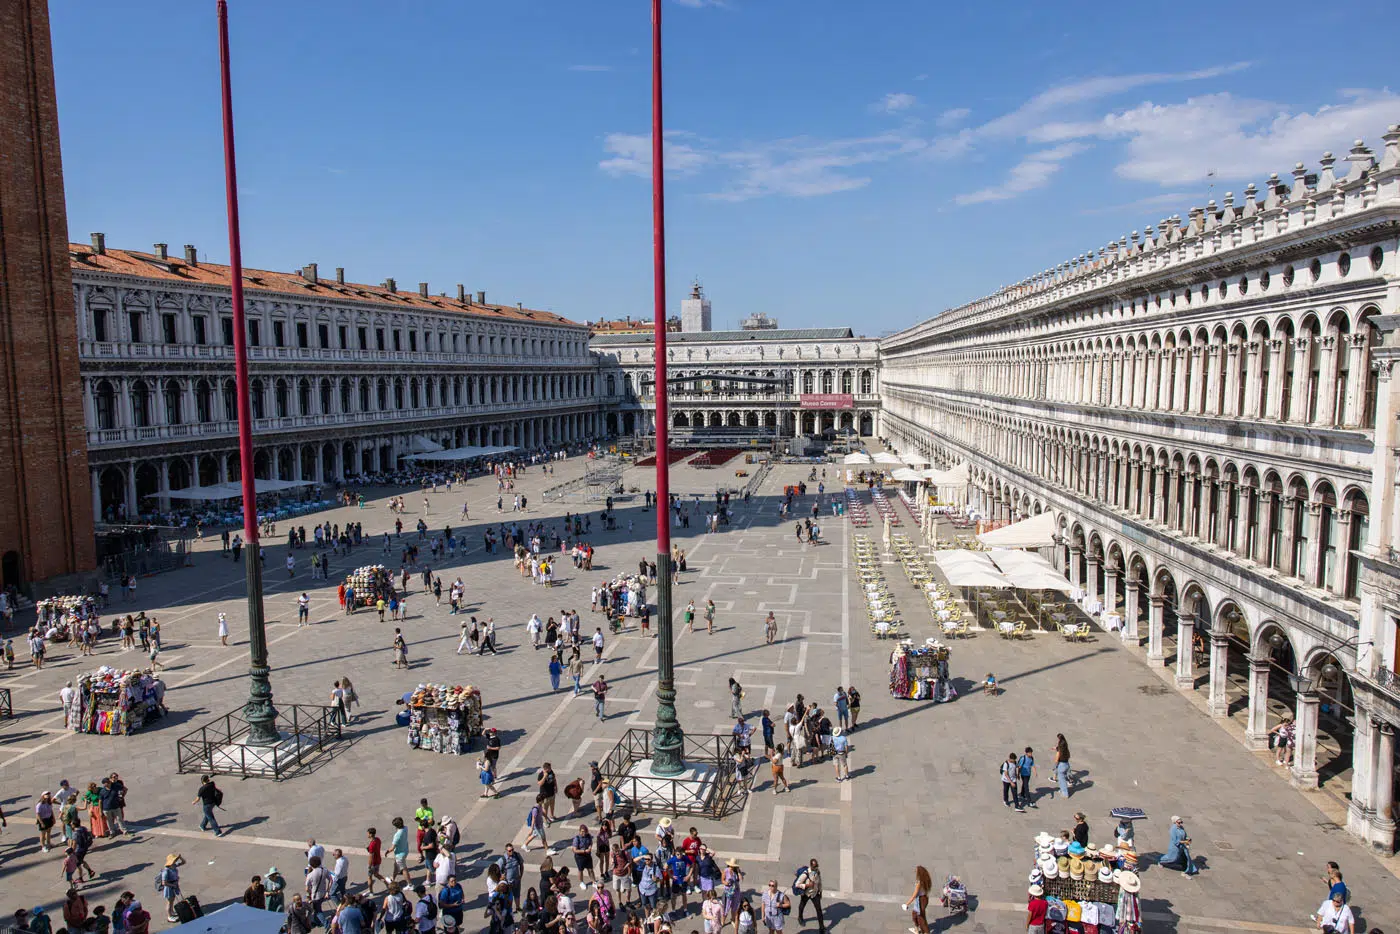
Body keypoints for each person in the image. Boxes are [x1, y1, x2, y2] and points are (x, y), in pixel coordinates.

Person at [796, 859, 825, 934]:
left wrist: (820, 891)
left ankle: (821, 927)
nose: (816, 868)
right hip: (806, 893)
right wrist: (807, 885)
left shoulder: (817, 872)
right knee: (802, 905)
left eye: (817, 866)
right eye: (814, 866)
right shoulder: (805, 874)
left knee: (819, 910)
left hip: (815, 894)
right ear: (811, 866)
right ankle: (800, 917)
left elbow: (820, 882)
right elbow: (797, 884)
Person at [903, 865, 932, 934]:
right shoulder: (926, 879)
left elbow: (914, 895)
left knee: (921, 918)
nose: (915, 872)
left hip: (920, 900)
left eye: (916, 871)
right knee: (914, 915)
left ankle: (926, 932)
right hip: (924, 898)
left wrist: (906, 904)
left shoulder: (919, 883)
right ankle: (916, 928)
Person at [158, 853, 185, 923]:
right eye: (174, 860)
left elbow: (183, 862)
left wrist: (180, 857)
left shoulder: (174, 866)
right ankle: (169, 916)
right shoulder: (166, 871)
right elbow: (164, 883)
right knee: (169, 902)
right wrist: (173, 885)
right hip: (169, 888)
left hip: (174, 885)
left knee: (172, 900)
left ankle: (172, 912)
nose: (175, 861)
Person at [1051, 733, 1072, 799]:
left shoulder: (1059, 751)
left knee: (1061, 780)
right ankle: (1062, 789)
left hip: (1061, 765)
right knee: (1063, 778)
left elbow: (1057, 759)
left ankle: (1065, 794)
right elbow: (1062, 749)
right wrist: (1056, 748)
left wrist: (1055, 766)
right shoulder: (1066, 748)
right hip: (1067, 764)